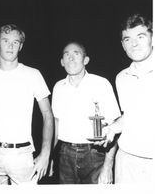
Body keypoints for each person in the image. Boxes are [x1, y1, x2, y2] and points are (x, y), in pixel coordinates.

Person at [0, 24, 54, 185]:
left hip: (22, 154)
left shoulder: (33, 75)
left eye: (15, 42)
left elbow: (48, 115)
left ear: (21, 46)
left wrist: (46, 154)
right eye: (5, 40)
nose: (10, 46)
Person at [99, 13, 155, 183]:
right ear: (122, 45)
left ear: (153, 38)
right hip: (126, 162)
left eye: (141, 36)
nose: (134, 44)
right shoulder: (121, 77)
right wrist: (113, 128)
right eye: (127, 39)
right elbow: (131, 115)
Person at [51, 41, 121, 184]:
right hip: (65, 155)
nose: (71, 58)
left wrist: (108, 166)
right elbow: (55, 126)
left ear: (86, 60)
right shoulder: (58, 87)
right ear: (62, 62)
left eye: (76, 54)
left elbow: (115, 124)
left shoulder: (101, 84)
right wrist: (49, 157)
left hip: (95, 154)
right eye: (67, 55)